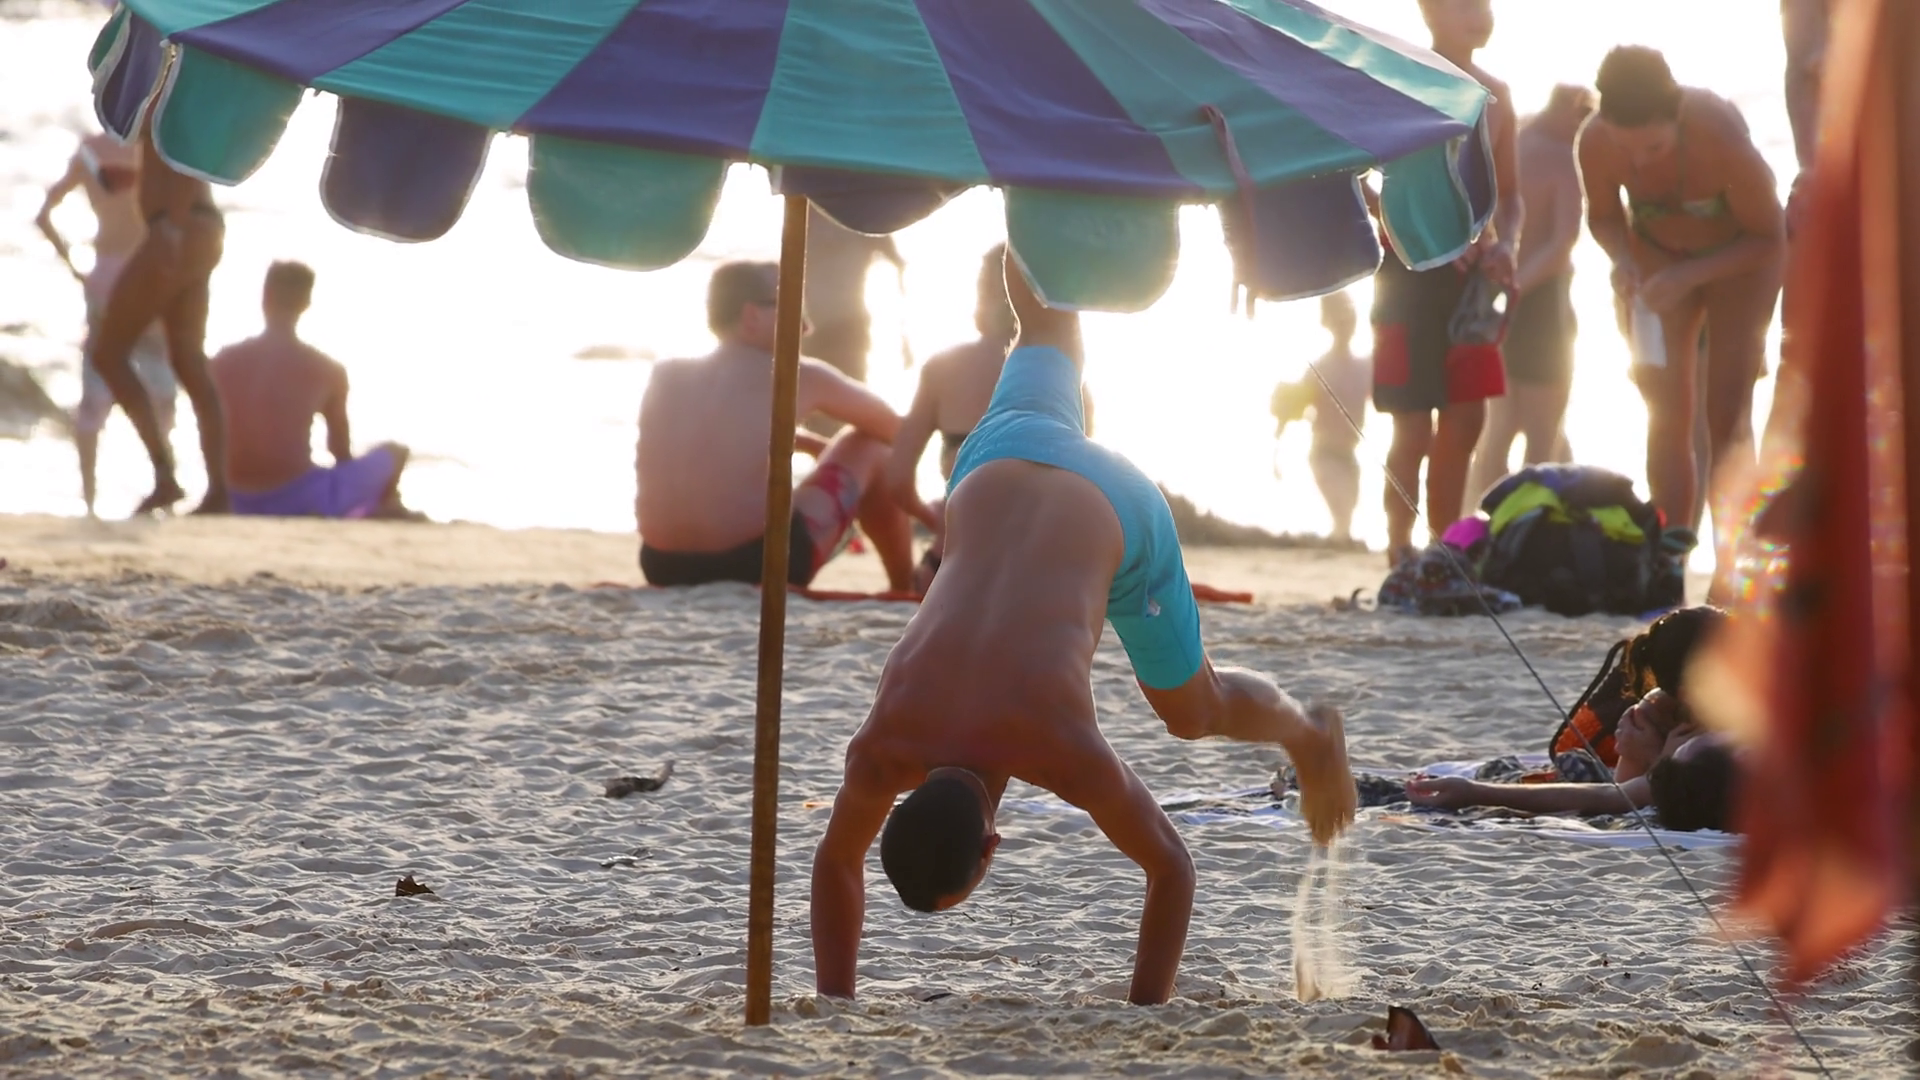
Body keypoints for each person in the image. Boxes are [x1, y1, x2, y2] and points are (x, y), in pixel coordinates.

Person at [808, 252, 1357, 1006]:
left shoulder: (1060, 752)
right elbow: (836, 863)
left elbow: (1172, 868)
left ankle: (1308, 732)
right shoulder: (880, 751)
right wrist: (833, 1002)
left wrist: (1143, 1015)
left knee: (1197, 709)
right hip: (998, 456)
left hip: (1120, 509)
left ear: (992, 847)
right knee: (1043, 322)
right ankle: (1035, 217)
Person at [1580, 46, 1785, 597]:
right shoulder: (1594, 141)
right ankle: (1668, 560)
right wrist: (1621, 259)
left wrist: (1691, 274)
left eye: (1654, 146)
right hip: (1656, 262)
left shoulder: (1716, 132)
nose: (1641, 162)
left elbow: (1770, 238)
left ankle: (1733, 569)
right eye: (1627, 148)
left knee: (1727, 414)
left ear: (1677, 116)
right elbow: (1604, 217)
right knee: (1666, 412)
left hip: (1739, 262)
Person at [636, 260, 914, 590]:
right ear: (752, 316)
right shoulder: (796, 374)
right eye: (795, 309)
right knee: (870, 447)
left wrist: (809, 444)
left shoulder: (666, 374)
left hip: (661, 564)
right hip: (757, 562)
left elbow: (711, 442)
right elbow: (897, 431)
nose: (806, 327)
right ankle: (905, 585)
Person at [1371, 0, 1522, 565]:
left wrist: (1506, 245)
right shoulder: (1401, 75)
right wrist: (1417, 230)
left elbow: (1511, 196)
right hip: (1407, 274)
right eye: (1463, 4)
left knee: (1465, 422)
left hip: (1472, 283)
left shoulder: (1498, 93)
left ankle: (1446, 551)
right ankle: (1398, 548)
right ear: (1430, 12)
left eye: (1483, 4)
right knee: (1411, 428)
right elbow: (1357, 173)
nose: (1479, 14)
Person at [886, 244, 1094, 590]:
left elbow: (897, 479)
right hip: (1036, 566)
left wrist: (934, 518)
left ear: (980, 296)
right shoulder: (1065, 377)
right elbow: (1084, 477)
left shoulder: (943, 368)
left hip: (951, 563)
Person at [86, 107, 230, 515]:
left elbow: (186, 148)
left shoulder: (165, 82)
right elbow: (174, 155)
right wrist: (135, 183)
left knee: (108, 352)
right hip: (198, 225)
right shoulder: (174, 84)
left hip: (178, 226)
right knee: (188, 360)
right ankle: (218, 491)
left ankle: (166, 477)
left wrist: (170, 224)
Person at [36, 130, 178, 516]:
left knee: (97, 380)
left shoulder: (91, 151)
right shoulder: (155, 147)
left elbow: (44, 216)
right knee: (159, 384)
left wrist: (75, 268)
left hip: (105, 273)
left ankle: (90, 502)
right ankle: (163, 483)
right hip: (147, 273)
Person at [1468, 85, 1596, 504]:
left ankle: (1480, 523)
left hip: (1492, 291)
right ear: (1573, 113)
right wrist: (1519, 285)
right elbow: (1561, 245)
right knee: (1542, 433)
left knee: (1498, 426)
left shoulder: (1514, 140)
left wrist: (1501, 285)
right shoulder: (1564, 157)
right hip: (1541, 303)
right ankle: (1530, 524)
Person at [208, 262, 414, 519]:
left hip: (233, 496)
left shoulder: (221, 362)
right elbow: (339, 451)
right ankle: (375, 509)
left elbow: (209, 433)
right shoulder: (327, 370)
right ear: (306, 303)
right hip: (300, 498)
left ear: (265, 297)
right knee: (395, 453)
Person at [1271, 291, 1369, 542]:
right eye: (1340, 322)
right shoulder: (1320, 368)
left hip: (1350, 456)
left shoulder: (1366, 367)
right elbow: (1289, 410)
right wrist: (1276, 455)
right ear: (1329, 325)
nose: (1345, 327)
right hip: (1324, 454)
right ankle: (1339, 542)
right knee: (1342, 511)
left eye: (1349, 321)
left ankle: (1338, 542)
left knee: (1346, 516)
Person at [801, 208, 905, 391]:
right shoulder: (801, 213)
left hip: (847, 325)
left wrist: (904, 339)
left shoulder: (863, 216)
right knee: (812, 394)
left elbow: (898, 267)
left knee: (849, 392)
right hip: (807, 327)